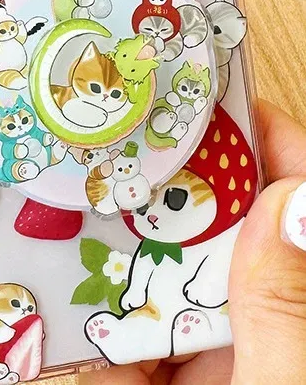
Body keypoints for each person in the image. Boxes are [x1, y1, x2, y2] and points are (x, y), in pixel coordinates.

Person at [81, 100, 306, 384]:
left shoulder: (230, 234)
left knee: (217, 321)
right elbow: (143, 268)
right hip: (162, 308)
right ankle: (124, 335)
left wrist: (206, 290)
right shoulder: (154, 244)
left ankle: (198, 326)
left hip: (229, 320)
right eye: (141, 207)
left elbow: (219, 267)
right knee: (148, 322)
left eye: (175, 199)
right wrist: (136, 290)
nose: (152, 216)